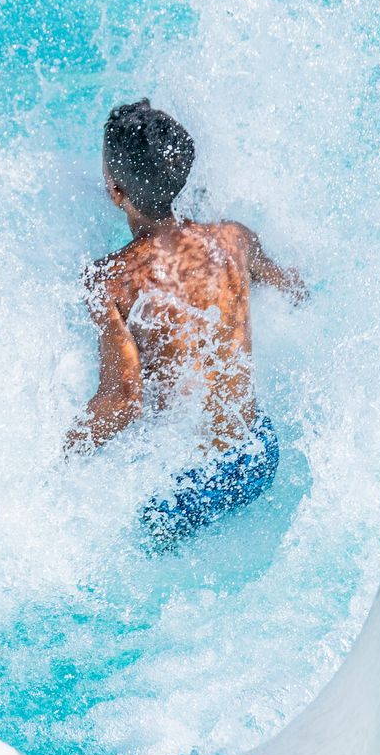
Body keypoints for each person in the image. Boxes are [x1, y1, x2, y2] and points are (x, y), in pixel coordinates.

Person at [65, 99, 307, 549]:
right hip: (258, 454)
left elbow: (123, 401)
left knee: (136, 539)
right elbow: (290, 288)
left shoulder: (112, 281)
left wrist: (62, 452)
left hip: (193, 489)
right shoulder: (234, 239)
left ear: (116, 193)